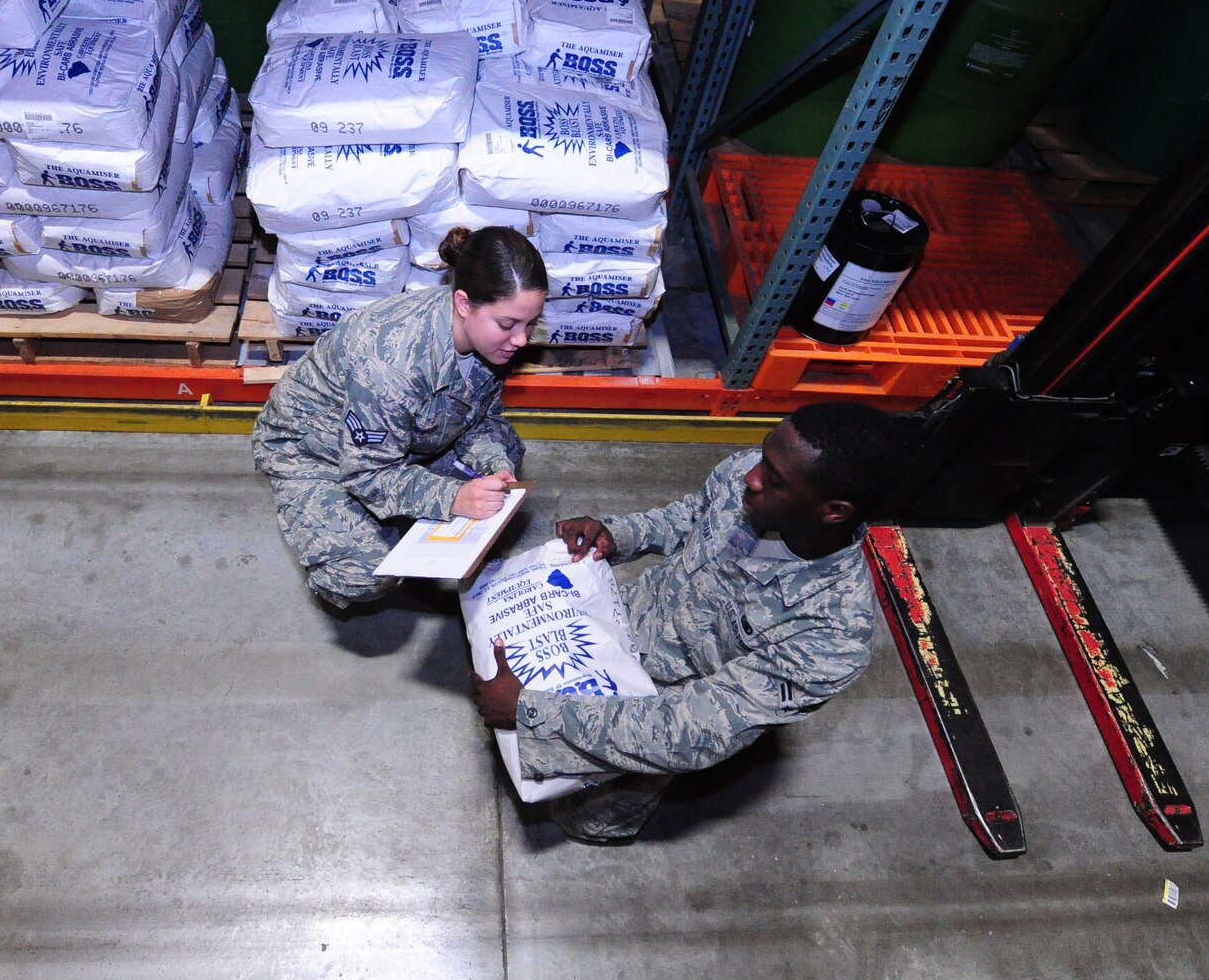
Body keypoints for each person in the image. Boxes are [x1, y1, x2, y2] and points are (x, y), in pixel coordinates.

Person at [470, 402, 903, 842]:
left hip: (658, 711)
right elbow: (691, 515)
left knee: (589, 816)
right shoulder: (748, 479)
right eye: (762, 457)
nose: (750, 477)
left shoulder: (830, 634)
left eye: (774, 480)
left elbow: (694, 731)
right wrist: (620, 534)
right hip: (622, 626)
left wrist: (531, 710)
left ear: (833, 510)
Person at [253, 226, 548, 609]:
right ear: (463, 304)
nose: (521, 340)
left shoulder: (487, 337)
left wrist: (496, 465)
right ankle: (330, 545)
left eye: (530, 323)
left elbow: (482, 416)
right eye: (508, 325)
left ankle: (408, 515)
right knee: (365, 570)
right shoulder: (391, 365)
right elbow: (366, 472)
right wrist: (452, 497)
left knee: (505, 456)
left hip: (402, 437)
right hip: (316, 449)